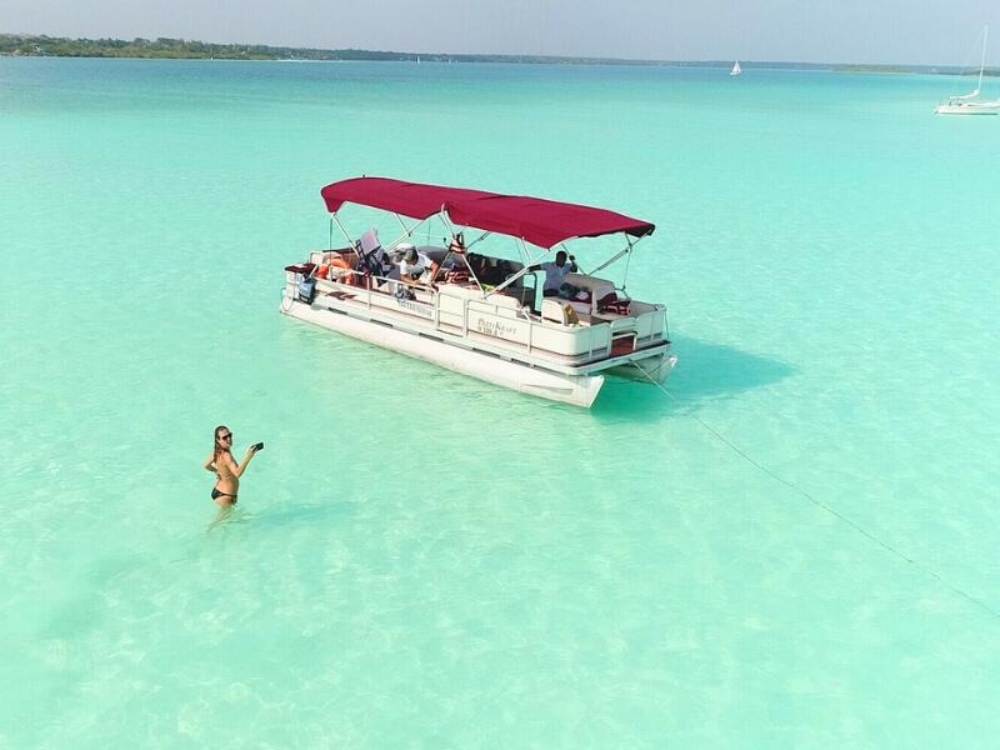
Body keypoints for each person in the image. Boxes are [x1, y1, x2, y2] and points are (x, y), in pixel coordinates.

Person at [203, 425, 260, 506]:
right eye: (224, 437)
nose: (229, 439)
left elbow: (206, 465)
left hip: (220, 491)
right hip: (226, 496)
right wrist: (248, 457)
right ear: (218, 440)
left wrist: (217, 471)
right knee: (222, 519)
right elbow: (237, 474)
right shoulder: (226, 455)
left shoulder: (217, 451)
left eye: (230, 435)